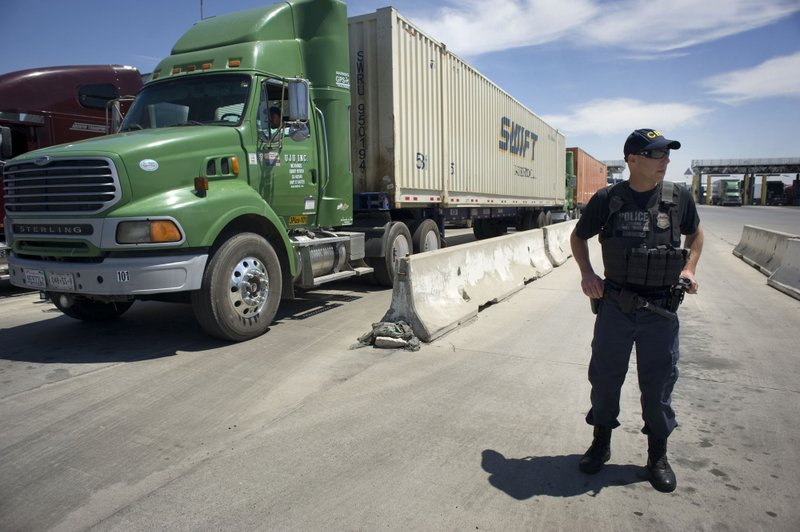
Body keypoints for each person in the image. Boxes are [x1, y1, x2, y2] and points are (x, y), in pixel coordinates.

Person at [569, 128, 704, 493]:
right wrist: (587, 274)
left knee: (658, 384)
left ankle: (657, 455)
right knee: (606, 378)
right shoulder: (608, 199)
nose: (666, 161)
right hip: (615, 307)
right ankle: (601, 442)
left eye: (666, 155)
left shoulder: (678, 197)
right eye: (657, 155)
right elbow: (578, 236)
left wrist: (689, 268)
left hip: (661, 311)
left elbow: (696, 234)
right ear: (632, 159)